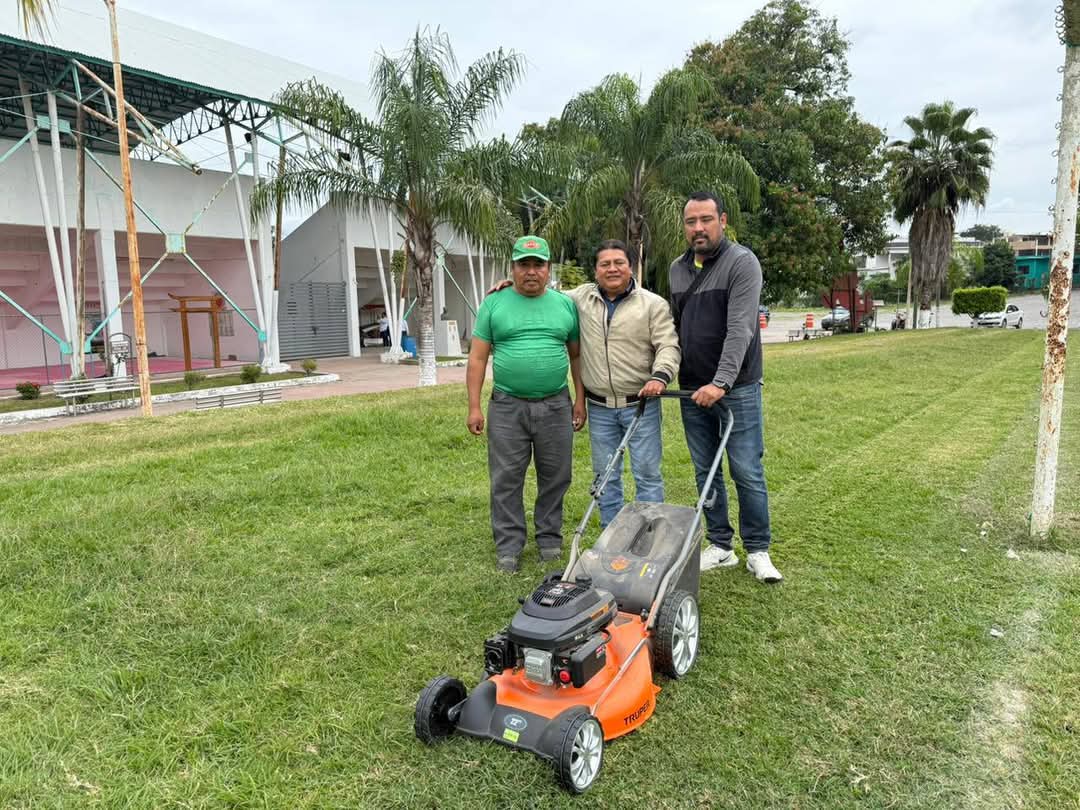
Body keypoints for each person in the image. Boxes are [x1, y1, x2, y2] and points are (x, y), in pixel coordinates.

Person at [669, 191, 783, 584]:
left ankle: (758, 550)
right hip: (691, 388)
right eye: (691, 222)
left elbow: (741, 328)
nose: (698, 228)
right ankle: (720, 545)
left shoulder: (742, 262)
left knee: (746, 468)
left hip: (737, 387)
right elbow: (674, 327)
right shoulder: (677, 269)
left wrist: (721, 382)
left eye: (706, 219)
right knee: (706, 469)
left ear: (723, 220)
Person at [466, 235, 586, 573]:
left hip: (556, 405)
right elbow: (477, 358)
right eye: (524, 265)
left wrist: (580, 399)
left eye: (538, 264)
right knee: (506, 477)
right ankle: (509, 546)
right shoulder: (494, 303)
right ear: (513, 268)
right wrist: (474, 406)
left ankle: (549, 539)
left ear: (548, 269)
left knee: (556, 475)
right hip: (507, 406)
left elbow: (576, 356)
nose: (531, 271)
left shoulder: (565, 305)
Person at [566, 240, 680, 527]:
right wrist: (511, 286)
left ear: (631, 267)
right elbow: (544, 294)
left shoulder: (652, 304)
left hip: (641, 405)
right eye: (605, 264)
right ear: (595, 271)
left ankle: (648, 535)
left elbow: (668, 345)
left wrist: (660, 376)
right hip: (599, 407)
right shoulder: (580, 298)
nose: (612, 269)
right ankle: (611, 535)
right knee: (605, 476)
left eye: (619, 262)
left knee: (647, 475)